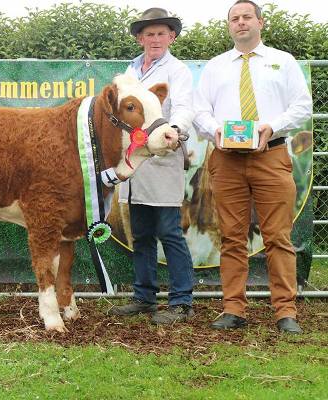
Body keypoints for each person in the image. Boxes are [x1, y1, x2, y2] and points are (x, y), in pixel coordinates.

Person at [193, 0, 312, 333]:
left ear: (260, 22)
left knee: (278, 237)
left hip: (271, 157)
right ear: (229, 26)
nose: (241, 23)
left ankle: (285, 311)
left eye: (247, 17)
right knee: (231, 238)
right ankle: (233, 309)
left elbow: (302, 106)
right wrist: (213, 129)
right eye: (235, 19)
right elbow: (200, 110)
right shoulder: (215, 67)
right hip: (226, 160)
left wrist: (270, 126)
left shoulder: (283, 62)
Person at [108, 8, 195, 325]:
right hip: (133, 164)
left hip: (162, 157)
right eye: (149, 33)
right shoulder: (128, 73)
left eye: (161, 33)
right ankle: (144, 297)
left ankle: (182, 301)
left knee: (169, 232)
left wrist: (175, 130)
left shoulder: (178, 71)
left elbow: (185, 108)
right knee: (140, 234)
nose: (155, 39)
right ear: (139, 38)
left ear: (171, 37)